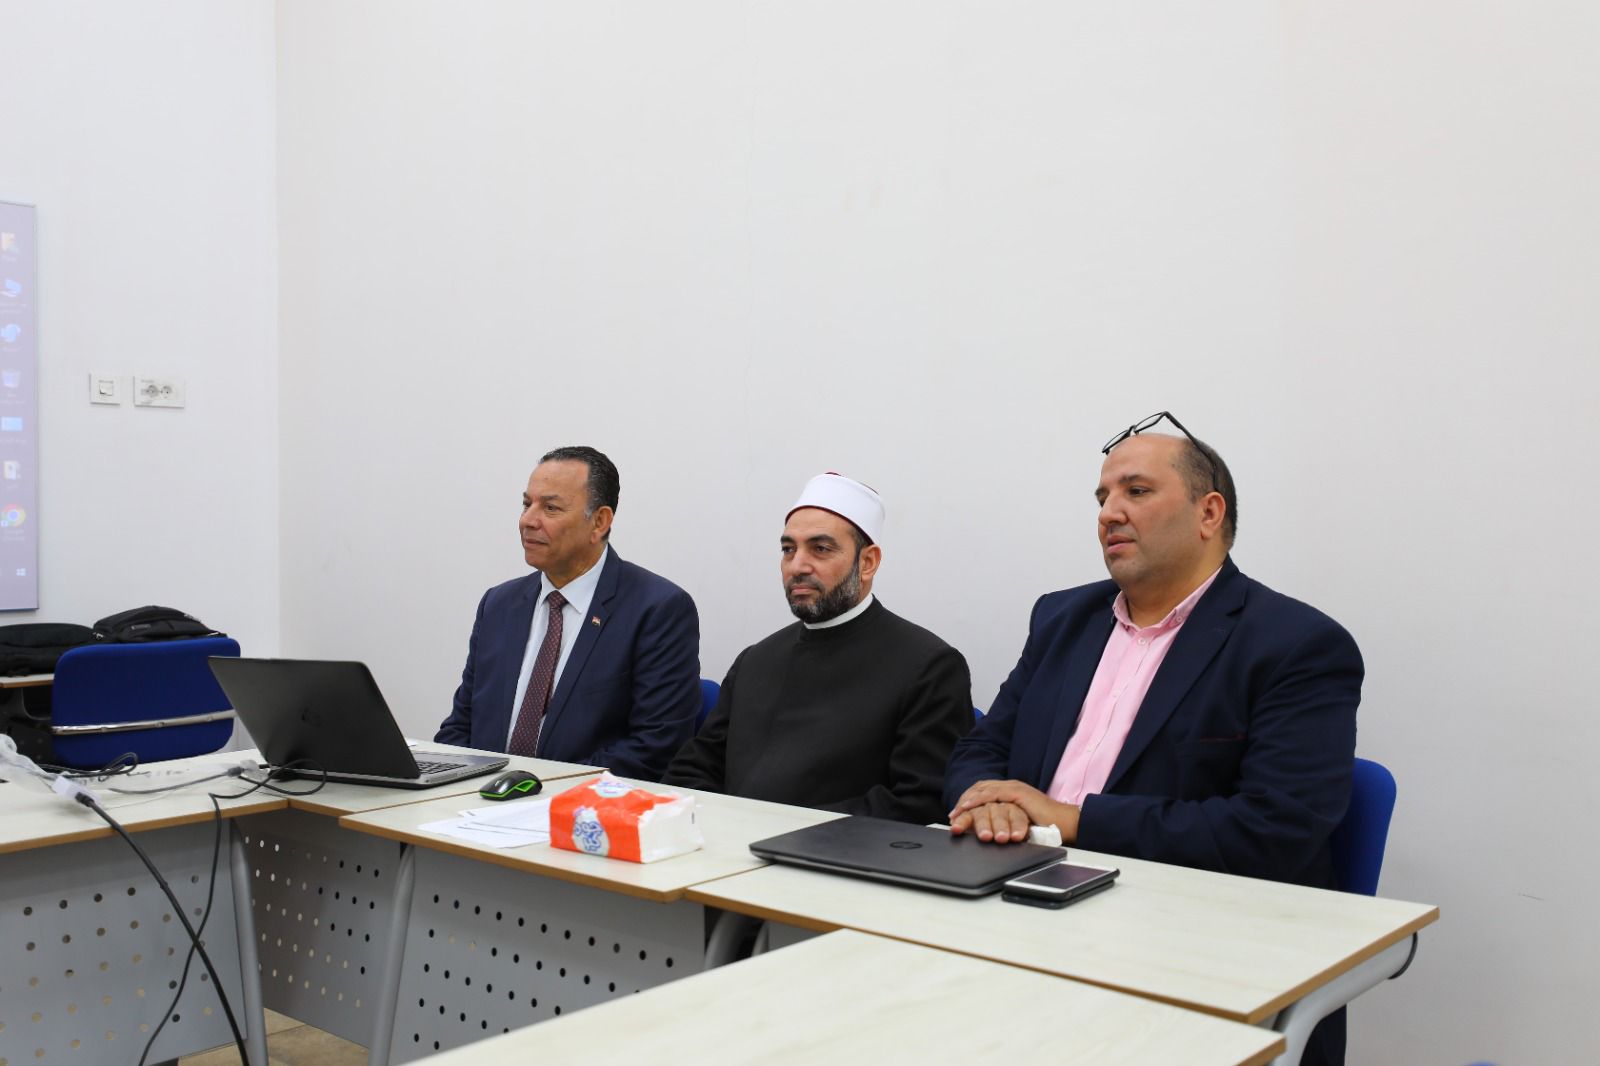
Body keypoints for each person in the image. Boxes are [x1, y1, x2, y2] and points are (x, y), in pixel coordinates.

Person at [944, 414, 1361, 1066]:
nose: (1109, 512)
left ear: (1208, 512)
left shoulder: (1297, 645)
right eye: (1102, 496)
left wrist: (1072, 820)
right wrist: (989, 801)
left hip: (1194, 949)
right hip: (1022, 911)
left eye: (1136, 491)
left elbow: (1274, 829)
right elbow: (981, 748)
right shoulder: (1062, 617)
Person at [665, 473, 972, 824]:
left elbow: (920, 803)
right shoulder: (755, 660)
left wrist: (779, 832)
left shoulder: (928, 667)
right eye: (788, 550)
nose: (797, 566)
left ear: (868, 562)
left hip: (836, 854)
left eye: (820, 549)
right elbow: (691, 771)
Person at [435, 446, 700, 780]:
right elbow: (460, 727)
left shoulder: (657, 609)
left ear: (599, 522)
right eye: (526, 504)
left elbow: (655, 748)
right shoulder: (499, 604)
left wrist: (539, 790)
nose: (528, 520)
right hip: (480, 799)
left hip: (582, 805)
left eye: (550, 508)